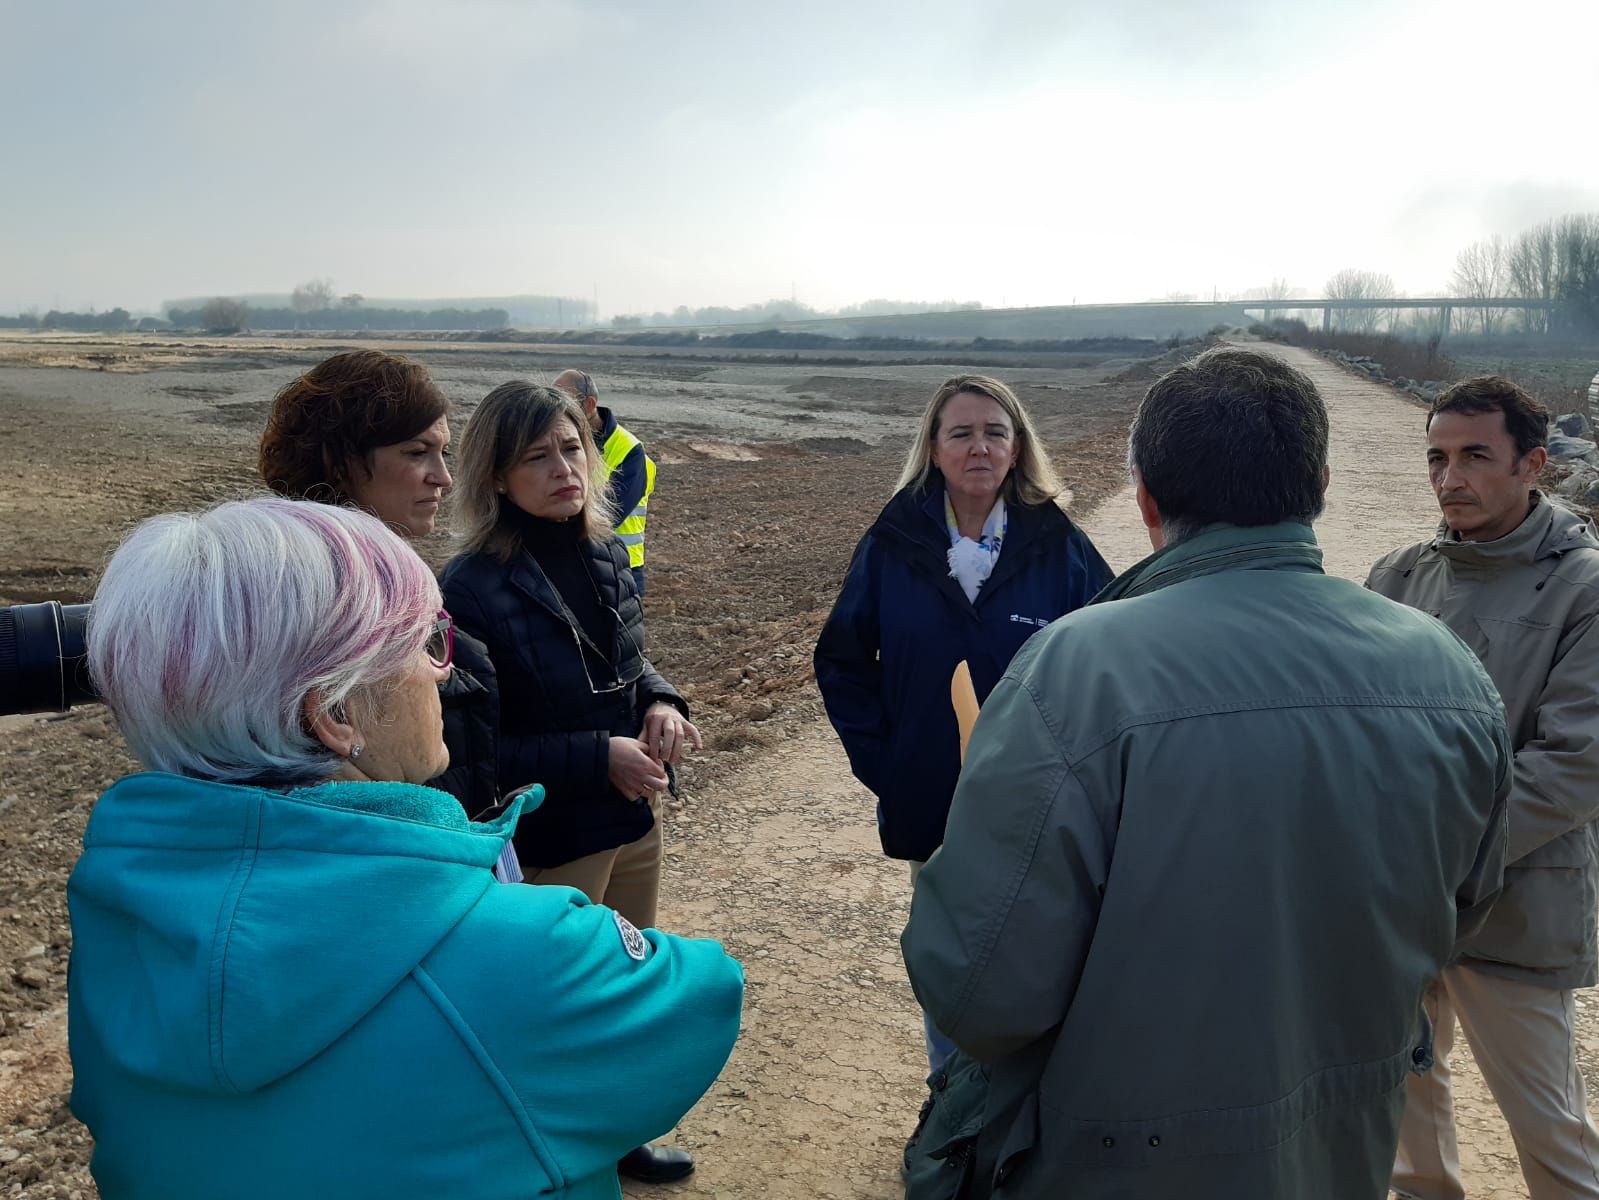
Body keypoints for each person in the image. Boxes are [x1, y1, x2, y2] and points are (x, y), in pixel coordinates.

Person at [900, 347, 1511, 1199]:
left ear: (1146, 497)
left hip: (1108, 1158)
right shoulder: (1448, 671)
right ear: (1321, 484)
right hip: (1341, 1149)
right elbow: (1462, 912)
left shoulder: (1076, 670)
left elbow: (979, 992)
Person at [66, 497, 743, 1200]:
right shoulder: (524, 954)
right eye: (424, 643)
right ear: (334, 714)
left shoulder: (120, 927)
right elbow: (703, 998)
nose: (441, 671)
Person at [812, 374, 1113, 1151]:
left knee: (1043, 953)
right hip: (933, 803)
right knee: (954, 961)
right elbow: (842, 661)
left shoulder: (1060, 545)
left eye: (995, 432)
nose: (979, 446)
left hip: (1038, 803)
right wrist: (888, 763)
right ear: (933, 449)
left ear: (1018, 449)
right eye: (961, 433)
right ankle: (953, 1110)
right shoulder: (895, 540)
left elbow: (1111, 656)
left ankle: (1030, 1115)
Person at [440, 382, 703, 1184]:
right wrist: (598, 755)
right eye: (537, 456)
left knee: (623, 995)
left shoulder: (604, 554)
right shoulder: (468, 589)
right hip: (552, 845)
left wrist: (659, 702)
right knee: (555, 1012)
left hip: (631, 823)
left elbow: (625, 663)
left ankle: (618, 1138)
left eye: (570, 449)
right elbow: (477, 757)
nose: (564, 469)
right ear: (495, 476)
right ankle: (551, 1159)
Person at [1369, 376, 1599, 1200]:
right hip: (1402, 904)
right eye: (1435, 457)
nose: (1449, 478)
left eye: (1474, 456)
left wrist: (1444, 857)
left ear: (1533, 463)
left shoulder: (1583, 589)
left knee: (1549, 1131)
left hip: (1515, 898)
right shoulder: (1396, 578)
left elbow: (1573, 763)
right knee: (1406, 1115)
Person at [258, 348, 498, 825]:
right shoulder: (309, 605)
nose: (444, 478)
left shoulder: (389, 586)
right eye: (416, 452)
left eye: (444, 452)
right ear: (339, 461)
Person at [553, 368, 655, 595]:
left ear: (589, 405)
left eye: (565, 403)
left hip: (620, 567)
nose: (558, 410)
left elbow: (609, 513)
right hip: (575, 564)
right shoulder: (560, 444)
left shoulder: (629, 450)